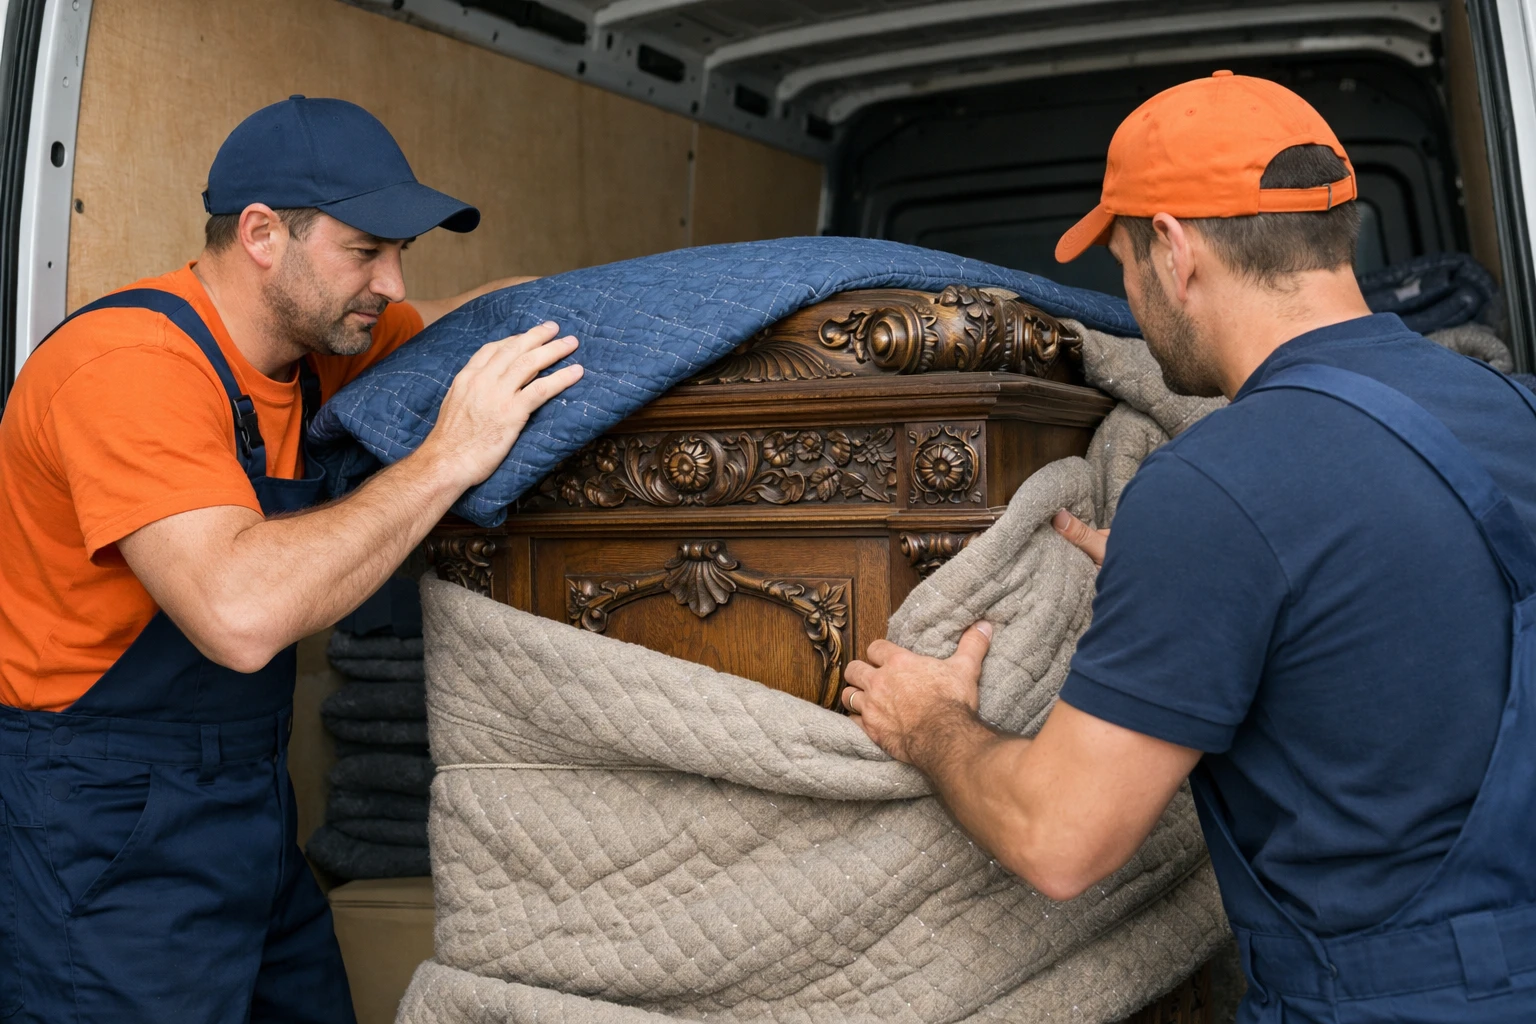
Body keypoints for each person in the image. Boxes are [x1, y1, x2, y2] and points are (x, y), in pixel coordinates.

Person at [839, 71, 1536, 1022]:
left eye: (1121, 261)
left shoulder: (1217, 490)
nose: (1124, 289)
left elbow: (1060, 839)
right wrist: (1209, 589)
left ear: (1172, 249)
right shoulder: (1515, 408)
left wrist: (928, 723)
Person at [0, 96, 582, 1023]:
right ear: (264, 234)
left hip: (251, 808)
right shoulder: (126, 367)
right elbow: (239, 615)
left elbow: (473, 314)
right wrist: (445, 460)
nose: (391, 283)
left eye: (402, 254)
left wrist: (625, 305)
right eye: (365, 250)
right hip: (103, 819)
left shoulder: (320, 347)